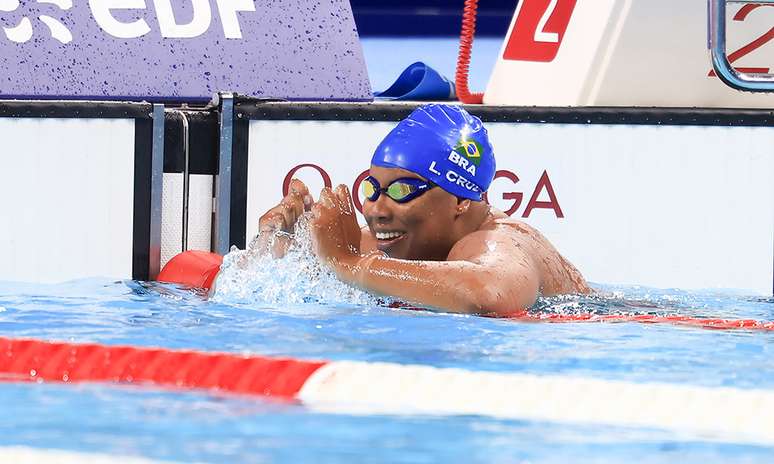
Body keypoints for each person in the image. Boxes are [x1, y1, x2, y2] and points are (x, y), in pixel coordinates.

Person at [256, 104, 591, 316]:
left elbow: (488, 295)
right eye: (372, 189)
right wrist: (278, 245)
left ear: (460, 200)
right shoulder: (393, 244)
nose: (376, 210)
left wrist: (349, 264)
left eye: (402, 191)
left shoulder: (500, 242)